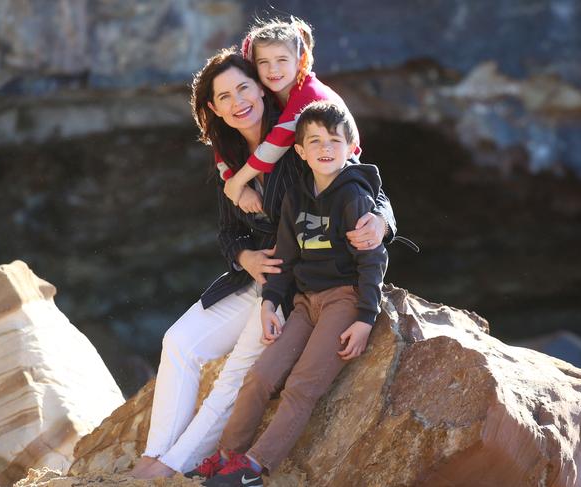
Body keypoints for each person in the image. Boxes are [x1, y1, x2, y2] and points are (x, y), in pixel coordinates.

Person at [130, 49, 395, 479]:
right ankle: (154, 453)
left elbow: (363, 180)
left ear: (261, 88)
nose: (239, 102)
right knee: (179, 342)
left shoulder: (298, 138)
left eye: (244, 88)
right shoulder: (229, 154)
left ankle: (171, 469)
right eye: (225, 97)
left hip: (297, 284)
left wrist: (381, 222)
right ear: (213, 108)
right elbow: (227, 231)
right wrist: (243, 255)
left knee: (242, 370)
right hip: (253, 278)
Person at [195, 100, 388, 487]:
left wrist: (365, 317)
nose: (325, 148)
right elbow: (284, 255)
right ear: (299, 151)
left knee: (303, 384)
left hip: (344, 300)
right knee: (261, 375)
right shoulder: (295, 197)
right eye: (314, 141)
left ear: (351, 147)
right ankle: (227, 454)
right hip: (304, 303)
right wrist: (269, 302)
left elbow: (373, 259)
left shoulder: (354, 197)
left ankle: (254, 467)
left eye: (334, 140)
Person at [217, 17, 361, 215]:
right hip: (308, 191)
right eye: (263, 62)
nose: (272, 69)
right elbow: (221, 138)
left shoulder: (310, 95)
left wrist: (237, 182)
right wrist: (232, 183)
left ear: (300, 60)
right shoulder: (271, 96)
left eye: (282, 60)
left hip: (343, 180)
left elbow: (275, 145)